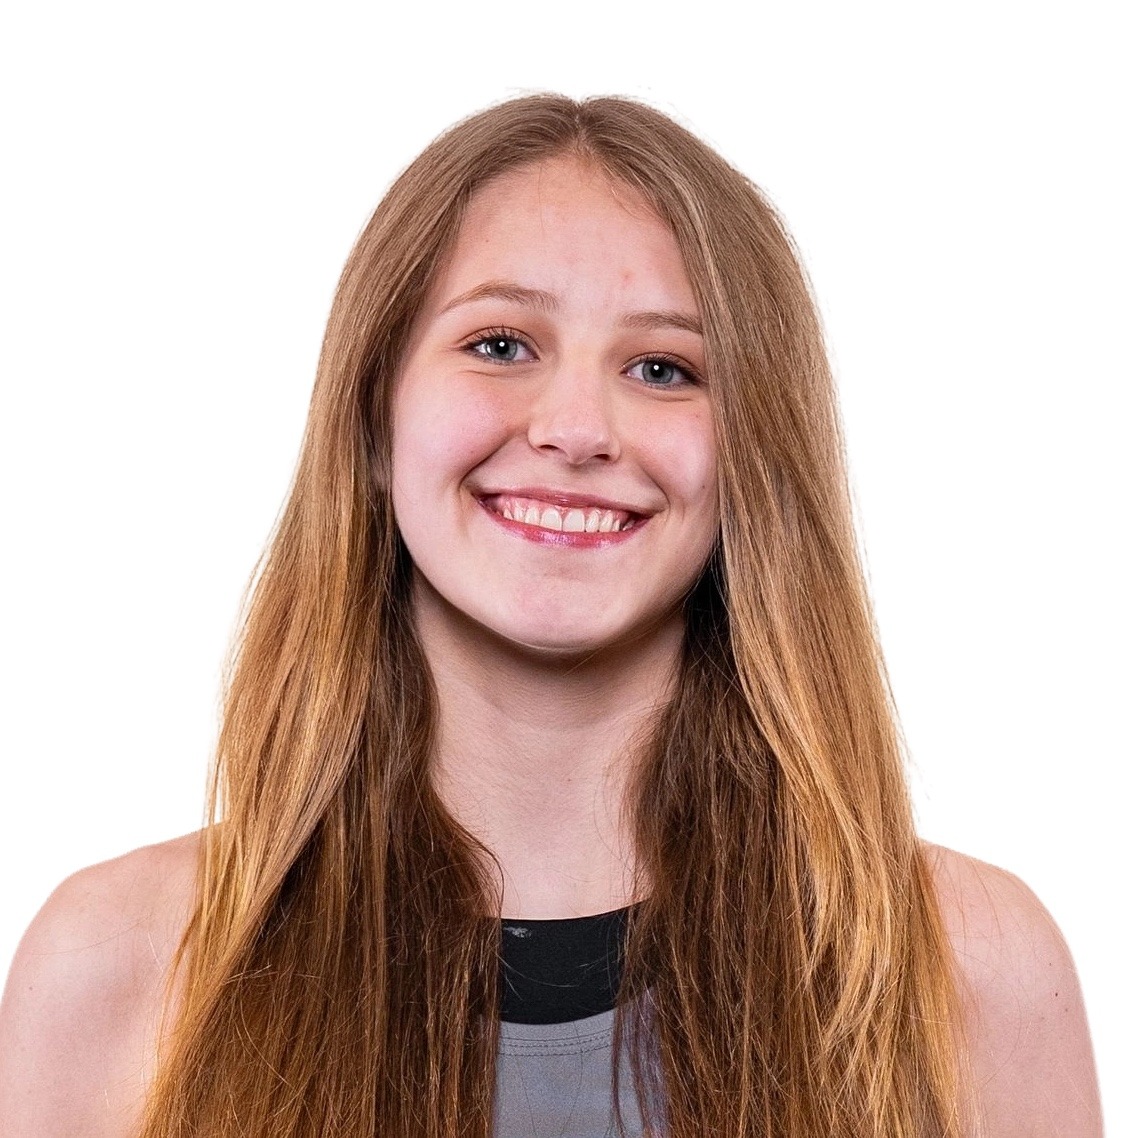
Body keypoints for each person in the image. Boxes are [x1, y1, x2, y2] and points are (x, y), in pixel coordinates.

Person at [0, 93, 1102, 1138]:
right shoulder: (118, 965)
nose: (577, 428)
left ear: (753, 456)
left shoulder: (970, 967)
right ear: (374, 418)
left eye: (663, 367)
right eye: (500, 345)